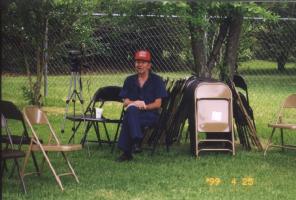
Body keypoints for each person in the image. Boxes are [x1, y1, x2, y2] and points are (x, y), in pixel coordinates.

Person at [117, 50, 167, 162]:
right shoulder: (129, 80)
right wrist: (136, 104)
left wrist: (144, 106)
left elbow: (158, 104)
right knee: (131, 112)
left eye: (143, 62)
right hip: (133, 113)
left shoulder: (157, 81)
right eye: (137, 62)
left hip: (150, 115)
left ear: (149, 65)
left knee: (129, 117)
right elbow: (125, 102)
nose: (139, 65)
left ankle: (127, 152)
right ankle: (136, 140)